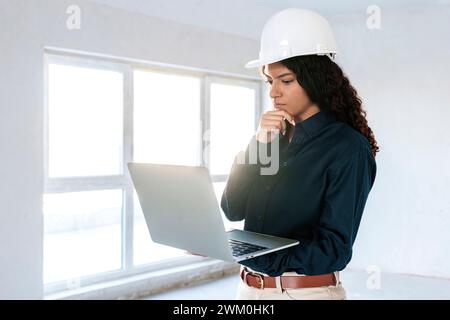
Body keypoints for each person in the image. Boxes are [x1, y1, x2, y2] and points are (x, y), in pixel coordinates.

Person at [220, 8, 378, 300]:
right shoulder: (271, 138)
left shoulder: (348, 148)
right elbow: (233, 208)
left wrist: (261, 257)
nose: (274, 92)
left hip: (304, 294)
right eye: (270, 81)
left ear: (315, 79)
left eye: (286, 80)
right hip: (247, 290)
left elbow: (334, 249)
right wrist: (258, 144)